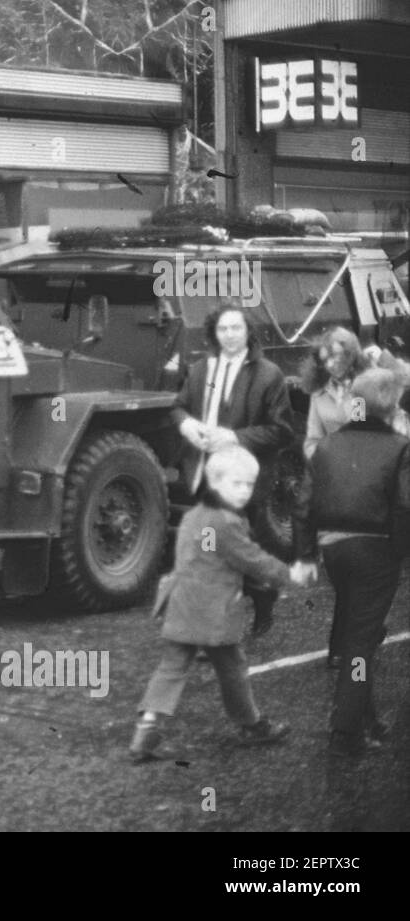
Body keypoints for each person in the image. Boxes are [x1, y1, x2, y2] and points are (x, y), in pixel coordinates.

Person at [129, 446, 312, 763]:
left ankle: (147, 726)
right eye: (236, 484)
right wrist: (288, 573)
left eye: (248, 485)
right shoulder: (226, 522)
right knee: (233, 669)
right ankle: (252, 723)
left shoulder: (193, 516)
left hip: (182, 605)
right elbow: (250, 559)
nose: (244, 492)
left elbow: (199, 557)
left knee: (171, 668)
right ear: (215, 482)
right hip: (214, 612)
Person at [293, 368, 410, 757]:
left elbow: (303, 505)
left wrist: (306, 553)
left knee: (361, 633)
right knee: (361, 641)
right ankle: (345, 730)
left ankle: (367, 717)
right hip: (376, 551)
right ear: (392, 406)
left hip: (334, 550)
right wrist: (399, 551)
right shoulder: (400, 447)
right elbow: (405, 505)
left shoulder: (328, 445)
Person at [172, 304, 294, 636]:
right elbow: (179, 406)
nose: (229, 335)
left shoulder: (269, 375)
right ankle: (214, 628)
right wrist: (187, 427)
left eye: (235, 329)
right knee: (210, 555)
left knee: (242, 554)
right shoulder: (200, 369)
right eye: (222, 329)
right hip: (205, 480)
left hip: (244, 483)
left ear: (248, 332)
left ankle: (263, 599)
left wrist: (235, 437)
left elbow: (282, 430)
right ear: (214, 333)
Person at [301, 326, 410, 460]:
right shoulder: (319, 393)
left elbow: (404, 380)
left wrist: (384, 357)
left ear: (349, 354)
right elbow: (312, 441)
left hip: (378, 461)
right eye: (325, 360)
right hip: (337, 465)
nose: (330, 364)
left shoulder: (370, 383)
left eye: (335, 357)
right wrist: (324, 462)